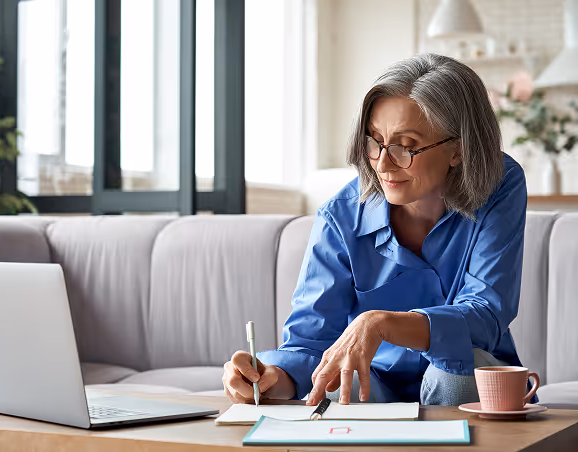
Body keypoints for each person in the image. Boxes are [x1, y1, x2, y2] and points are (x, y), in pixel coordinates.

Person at [222, 53, 528, 407]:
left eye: (405, 146)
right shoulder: (340, 216)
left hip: (465, 380)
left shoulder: (499, 184)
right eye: (374, 142)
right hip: (376, 384)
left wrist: (381, 323)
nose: (382, 164)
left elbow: (485, 313)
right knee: (342, 381)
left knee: (456, 368)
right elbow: (310, 342)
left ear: (457, 151)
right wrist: (272, 378)